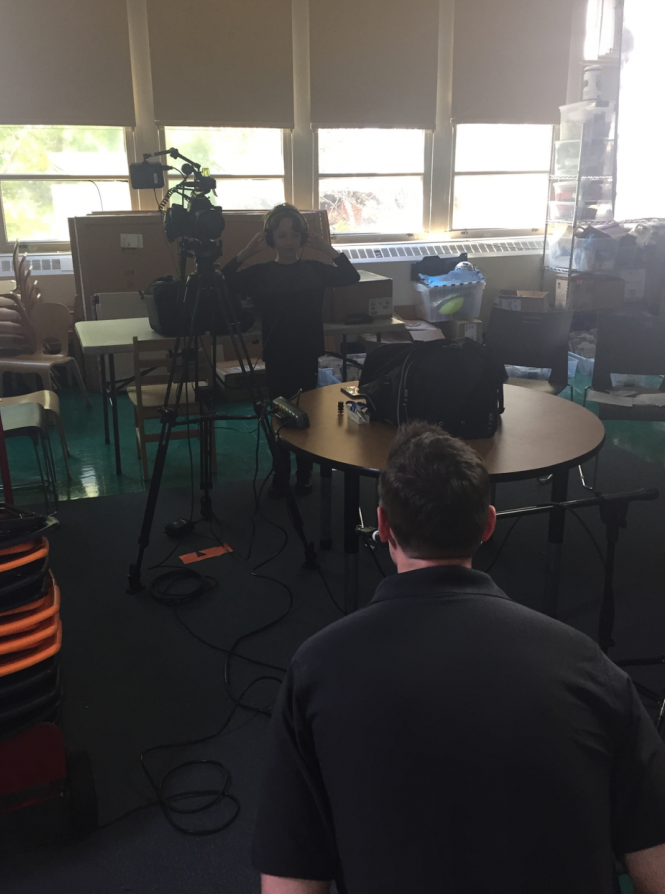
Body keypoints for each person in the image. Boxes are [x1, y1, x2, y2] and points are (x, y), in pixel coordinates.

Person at [252, 422, 665, 894]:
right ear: (488, 524)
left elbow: (290, 885)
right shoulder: (590, 668)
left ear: (383, 525)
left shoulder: (315, 672)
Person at [222, 204, 359, 498]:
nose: (288, 240)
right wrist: (246, 252)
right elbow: (222, 279)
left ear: (303, 238)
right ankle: (282, 474)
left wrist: (326, 247)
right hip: (277, 352)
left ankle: (304, 474)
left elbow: (351, 276)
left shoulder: (314, 269)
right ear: (271, 238)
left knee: (305, 413)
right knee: (280, 414)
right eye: (281, 235)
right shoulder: (260, 273)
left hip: (306, 352)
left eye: (295, 235)